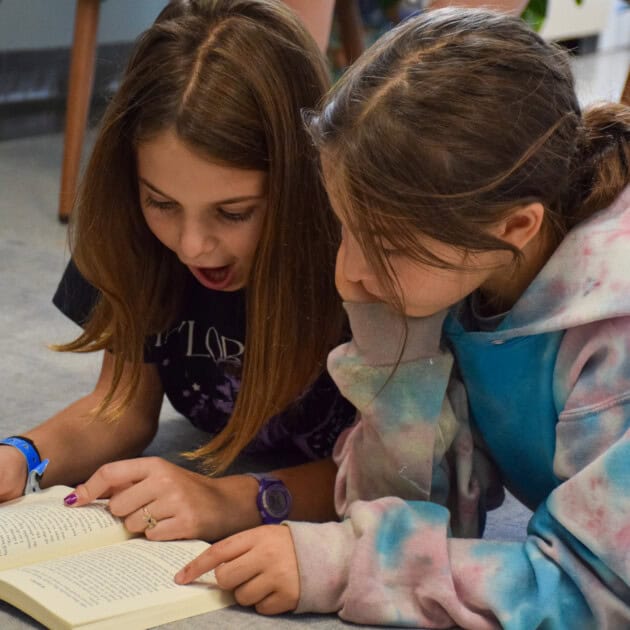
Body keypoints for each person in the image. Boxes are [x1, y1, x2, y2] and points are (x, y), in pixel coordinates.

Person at [176, 7, 630, 627]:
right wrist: (395, 345)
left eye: (388, 246)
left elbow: (595, 593)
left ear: (515, 227)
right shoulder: (465, 265)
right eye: (345, 231)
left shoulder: (616, 331)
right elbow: (417, 505)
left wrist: (349, 564)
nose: (346, 276)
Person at [0, 0, 355, 543]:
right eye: (161, 203)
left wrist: (231, 498)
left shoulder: (362, 261)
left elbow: (403, 480)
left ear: (307, 185)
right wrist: (23, 454)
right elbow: (120, 408)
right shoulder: (133, 234)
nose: (192, 247)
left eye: (234, 213)